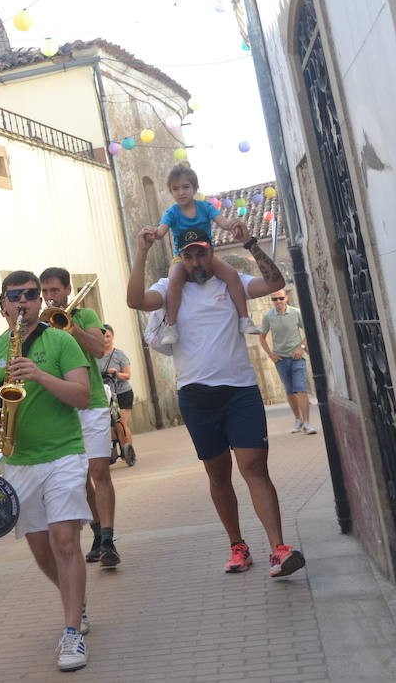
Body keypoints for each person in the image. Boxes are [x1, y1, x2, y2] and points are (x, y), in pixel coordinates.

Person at [127, 224, 307, 578]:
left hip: (240, 391)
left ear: (211, 253)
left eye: (202, 253)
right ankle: (237, 545)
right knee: (218, 474)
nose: (196, 261)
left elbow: (274, 283)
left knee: (254, 466)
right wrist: (142, 251)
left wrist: (250, 243)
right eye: (188, 255)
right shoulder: (167, 289)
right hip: (196, 395)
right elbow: (134, 300)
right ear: (181, 258)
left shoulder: (232, 281)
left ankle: (279, 549)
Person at [0, 271, 93, 672]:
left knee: (63, 540)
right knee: (42, 550)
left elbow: (82, 395)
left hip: (63, 455)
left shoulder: (61, 340)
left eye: (29, 295)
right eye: (14, 296)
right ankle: (76, 600)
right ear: (3, 303)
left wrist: (39, 375)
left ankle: (72, 630)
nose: (22, 302)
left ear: (40, 302)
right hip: (19, 460)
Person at [39, 268, 120, 567]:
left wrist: (71, 327)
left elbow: (100, 350)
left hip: (92, 403)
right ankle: (98, 533)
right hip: (61, 408)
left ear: (68, 289)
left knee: (99, 472)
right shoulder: (41, 324)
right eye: (45, 292)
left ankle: (110, 538)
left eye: (55, 291)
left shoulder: (85, 317)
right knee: (80, 477)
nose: (50, 297)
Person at [150, 165, 261, 345]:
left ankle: (244, 319)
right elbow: (161, 231)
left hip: (205, 255)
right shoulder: (172, 213)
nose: (181, 192)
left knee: (232, 275)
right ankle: (171, 326)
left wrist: (232, 224)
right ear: (171, 192)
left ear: (194, 188)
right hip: (182, 258)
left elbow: (222, 222)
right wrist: (153, 233)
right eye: (176, 189)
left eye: (186, 187)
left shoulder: (205, 207)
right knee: (174, 280)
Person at [259, 292, 316, 435]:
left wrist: (301, 348)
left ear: (286, 298)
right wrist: (271, 355)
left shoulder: (296, 313)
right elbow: (262, 338)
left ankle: (307, 424)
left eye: (281, 298)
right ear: (271, 301)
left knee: (301, 390)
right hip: (281, 360)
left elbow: (309, 331)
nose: (278, 301)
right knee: (290, 391)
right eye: (275, 299)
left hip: (297, 358)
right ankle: (298, 419)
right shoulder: (268, 317)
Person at [96, 324, 135, 451]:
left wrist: (116, 373)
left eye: (108, 336)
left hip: (123, 393)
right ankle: (113, 450)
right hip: (106, 395)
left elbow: (127, 375)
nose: (105, 339)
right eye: (103, 336)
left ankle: (127, 451)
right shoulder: (95, 356)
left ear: (113, 337)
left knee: (121, 423)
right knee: (110, 426)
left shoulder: (119, 355)